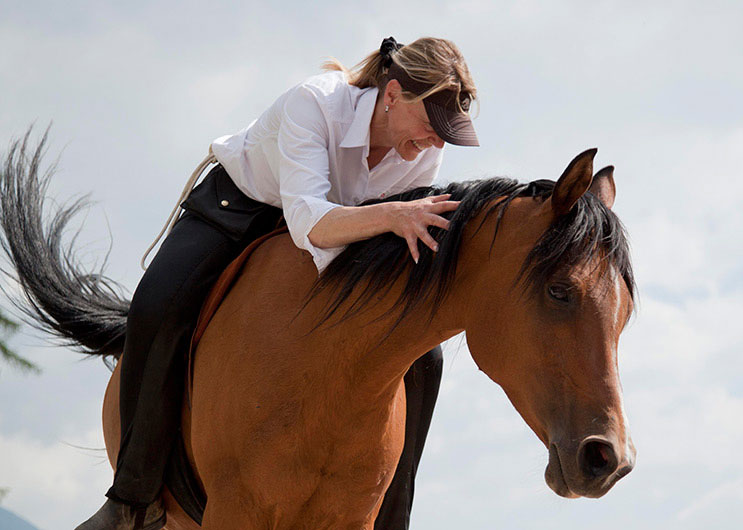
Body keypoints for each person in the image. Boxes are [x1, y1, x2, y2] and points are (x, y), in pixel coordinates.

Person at [76, 36, 478, 530]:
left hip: (349, 233)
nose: (437, 142)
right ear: (392, 94)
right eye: (433, 126)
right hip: (242, 210)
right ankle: (130, 499)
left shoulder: (420, 153)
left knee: (424, 357)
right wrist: (394, 214)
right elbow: (308, 220)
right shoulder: (314, 103)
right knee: (159, 305)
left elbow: (384, 239)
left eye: (446, 134)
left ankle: (393, 518)